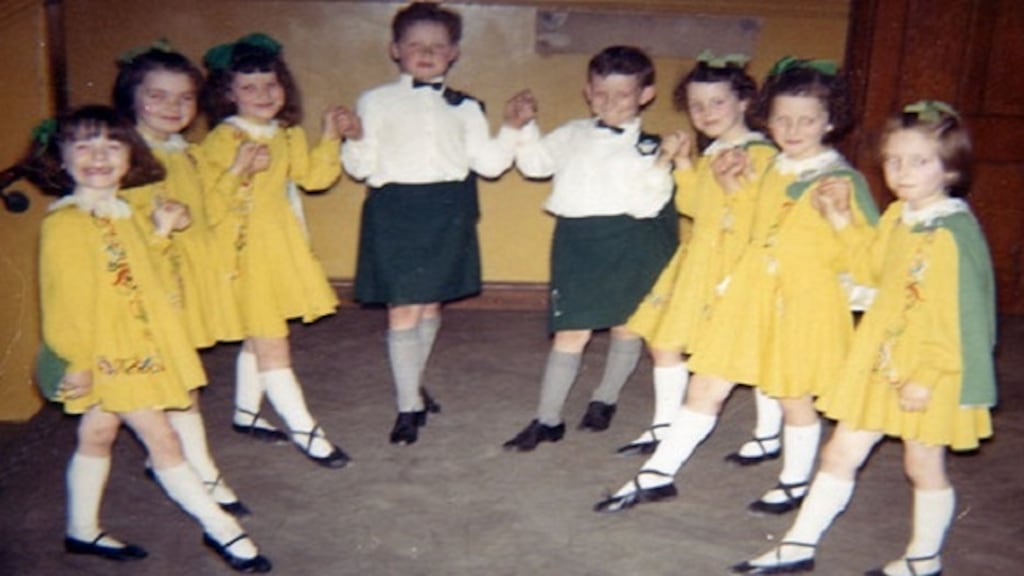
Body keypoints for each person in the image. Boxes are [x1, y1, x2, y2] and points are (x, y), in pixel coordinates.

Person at [594, 56, 879, 512]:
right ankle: (657, 473)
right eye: (783, 118)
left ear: (830, 122)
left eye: (807, 119)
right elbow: (754, 228)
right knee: (706, 385)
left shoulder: (841, 179)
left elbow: (869, 264)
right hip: (750, 296)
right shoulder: (772, 169)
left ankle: (794, 480)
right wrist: (734, 191)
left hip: (802, 303)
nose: (792, 128)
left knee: (793, 397)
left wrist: (843, 220)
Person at [732, 100, 996, 576]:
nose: (902, 172)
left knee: (922, 465)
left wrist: (929, 374)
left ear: (951, 168)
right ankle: (797, 545)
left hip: (929, 369)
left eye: (919, 161)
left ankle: (924, 557)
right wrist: (840, 218)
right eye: (893, 160)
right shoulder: (900, 216)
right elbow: (873, 269)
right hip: (882, 360)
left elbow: (962, 317)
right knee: (839, 452)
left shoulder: (952, 233)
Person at [37, 105, 271, 572]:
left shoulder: (124, 213)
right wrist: (77, 360)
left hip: (142, 342)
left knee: (99, 432)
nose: (99, 157)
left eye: (112, 146)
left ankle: (81, 531)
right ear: (60, 159)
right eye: (83, 147)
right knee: (163, 438)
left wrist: (161, 235)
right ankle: (223, 529)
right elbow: (62, 301)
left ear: (130, 157)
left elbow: (144, 278)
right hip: (107, 353)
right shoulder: (65, 224)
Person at [339, 2, 522, 445]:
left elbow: (491, 164)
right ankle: (408, 407)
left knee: (430, 306)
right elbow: (361, 167)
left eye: (438, 46)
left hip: (448, 209)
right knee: (403, 307)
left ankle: (413, 382)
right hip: (396, 210)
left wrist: (512, 128)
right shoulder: (376, 101)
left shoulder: (466, 108)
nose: (427, 53)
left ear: (454, 53)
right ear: (395, 49)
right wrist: (354, 136)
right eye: (415, 44)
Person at [502, 45, 680, 452]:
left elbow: (647, 204)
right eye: (601, 93)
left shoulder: (651, 148)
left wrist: (662, 163)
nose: (611, 103)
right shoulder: (570, 134)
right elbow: (535, 165)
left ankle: (606, 398)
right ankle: (547, 420)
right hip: (578, 243)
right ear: (587, 91)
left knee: (627, 326)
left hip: (631, 241)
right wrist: (525, 128)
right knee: (570, 332)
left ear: (645, 96)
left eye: (623, 94)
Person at [617, 51, 783, 463]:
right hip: (699, 260)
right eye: (696, 105)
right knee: (664, 341)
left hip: (736, 263)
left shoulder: (760, 155)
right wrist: (686, 163)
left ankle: (769, 433)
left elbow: (758, 217)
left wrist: (731, 190)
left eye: (717, 102)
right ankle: (664, 423)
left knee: (751, 349)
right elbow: (694, 206)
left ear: (744, 102)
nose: (705, 112)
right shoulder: (713, 152)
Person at [112, 43, 249, 515]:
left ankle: (174, 458)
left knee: (186, 377)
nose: (173, 108)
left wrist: (234, 174)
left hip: (187, 278)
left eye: (185, 98)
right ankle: (199, 470)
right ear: (132, 98)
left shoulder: (186, 153)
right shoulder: (123, 157)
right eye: (158, 97)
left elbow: (210, 206)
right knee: (177, 380)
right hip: (153, 283)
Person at [200, 33, 349, 468]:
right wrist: (238, 170)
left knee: (260, 330)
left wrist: (329, 136)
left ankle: (246, 413)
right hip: (242, 252)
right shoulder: (222, 140)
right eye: (249, 87)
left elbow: (314, 178)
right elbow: (208, 205)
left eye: (271, 84)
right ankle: (306, 430)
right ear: (228, 94)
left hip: (280, 246)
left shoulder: (285, 134)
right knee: (273, 342)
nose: (264, 95)